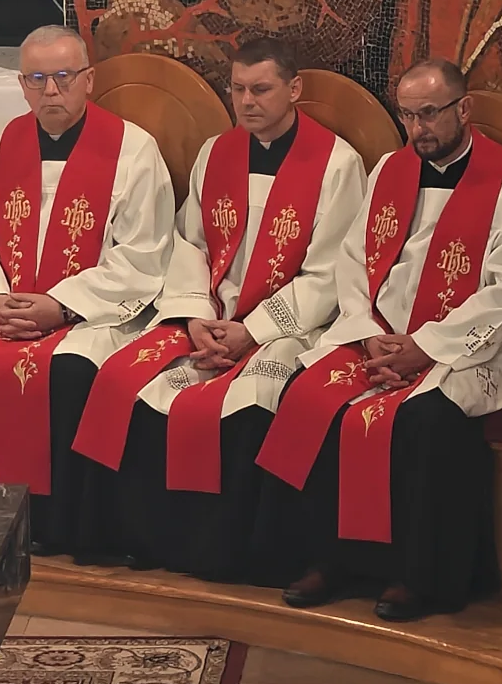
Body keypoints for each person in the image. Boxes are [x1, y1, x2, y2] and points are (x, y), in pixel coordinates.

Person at [253, 58, 502, 621]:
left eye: (430, 113)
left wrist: (427, 348)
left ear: (464, 108)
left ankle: (416, 576)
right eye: (408, 115)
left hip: (466, 350)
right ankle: (328, 559)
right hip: (381, 338)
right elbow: (352, 263)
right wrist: (370, 336)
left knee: (424, 419)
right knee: (307, 394)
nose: (419, 128)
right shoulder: (389, 169)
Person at [70, 37, 366, 579]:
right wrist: (196, 315)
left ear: (294, 89)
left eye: (261, 89)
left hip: (286, 327)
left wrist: (252, 330)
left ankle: (232, 556)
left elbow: (330, 273)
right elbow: (190, 243)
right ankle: (149, 541)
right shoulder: (216, 153)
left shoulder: (337, 165)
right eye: (238, 89)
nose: (247, 101)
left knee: (250, 401)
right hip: (212, 315)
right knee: (126, 383)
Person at [0, 25, 175, 553]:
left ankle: (54, 529)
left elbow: (142, 253)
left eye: (63, 77)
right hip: (4, 304)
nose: (51, 91)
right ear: (21, 85)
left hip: (86, 313)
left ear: (89, 80)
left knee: (69, 370)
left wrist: (60, 305)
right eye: (37, 79)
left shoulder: (132, 150)